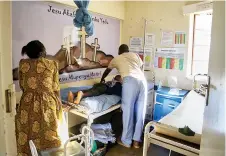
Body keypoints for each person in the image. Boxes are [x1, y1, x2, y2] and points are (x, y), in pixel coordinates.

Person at [15, 40, 68, 156]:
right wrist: (59, 103)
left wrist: (31, 93)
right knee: (51, 134)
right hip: (48, 103)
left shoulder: (23, 64)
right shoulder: (52, 64)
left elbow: (22, 85)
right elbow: (55, 87)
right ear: (42, 51)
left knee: (28, 134)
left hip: (27, 103)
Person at [100, 44, 147, 149]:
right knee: (140, 112)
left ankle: (126, 140)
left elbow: (107, 70)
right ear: (128, 50)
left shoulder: (117, 58)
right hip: (143, 81)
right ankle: (136, 142)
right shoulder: (135, 55)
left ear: (119, 52)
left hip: (130, 81)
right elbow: (141, 67)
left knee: (128, 111)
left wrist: (102, 79)